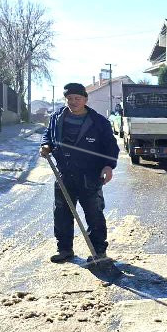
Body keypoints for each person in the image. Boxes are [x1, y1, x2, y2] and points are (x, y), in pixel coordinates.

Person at [40, 83, 120, 263]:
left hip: (90, 175)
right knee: (62, 213)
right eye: (69, 98)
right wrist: (46, 145)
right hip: (64, 174)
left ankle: (98, 252)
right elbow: (48, 135)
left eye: (77, 98)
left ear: (85, 99)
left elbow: (110, 146)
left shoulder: (98, 122)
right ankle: (65, 249)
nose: (73, 102)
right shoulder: (56, 118)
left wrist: (108, 166)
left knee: (94, 214)